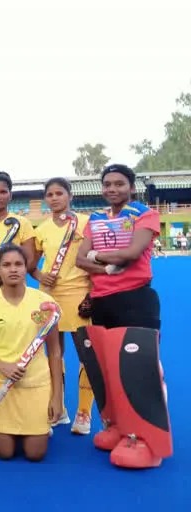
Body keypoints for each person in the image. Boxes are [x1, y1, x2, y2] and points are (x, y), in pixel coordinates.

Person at [74, 163, 170, 469]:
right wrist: (108, 266)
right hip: (102, 301)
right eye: (108, 184)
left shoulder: (144, 214)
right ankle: (118, 427)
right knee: (108, 369)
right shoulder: (95, 219)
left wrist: (97, 256)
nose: (112, 189)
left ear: (131, 186)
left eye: (119, 184)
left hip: (136, 298)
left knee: (139, 369)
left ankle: (149, 441)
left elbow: (131, 254)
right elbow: (80, 259)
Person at [0, 244, 63, 462]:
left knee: (35, 454)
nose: (13, 269)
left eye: (18, 264)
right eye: (6, 265)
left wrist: (57, 397)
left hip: (36, 384)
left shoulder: (45, 303)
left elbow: (55, 352)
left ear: (25, 267)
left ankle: (38, 426)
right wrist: (2, 366)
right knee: (4, 453)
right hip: (1, 384)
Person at [31, 177, 96, 434]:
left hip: (79, 294)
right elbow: (30, 264)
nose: (54, 198)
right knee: (52, 353)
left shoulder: (87, 222)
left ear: (70, 195)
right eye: (50, 194)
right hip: (48, 297)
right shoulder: (42, 229)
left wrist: (92, 294)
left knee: (86, 354)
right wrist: (39, 275)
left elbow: (96, 260)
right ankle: (58, 408)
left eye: (59, 193)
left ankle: (84, 412)